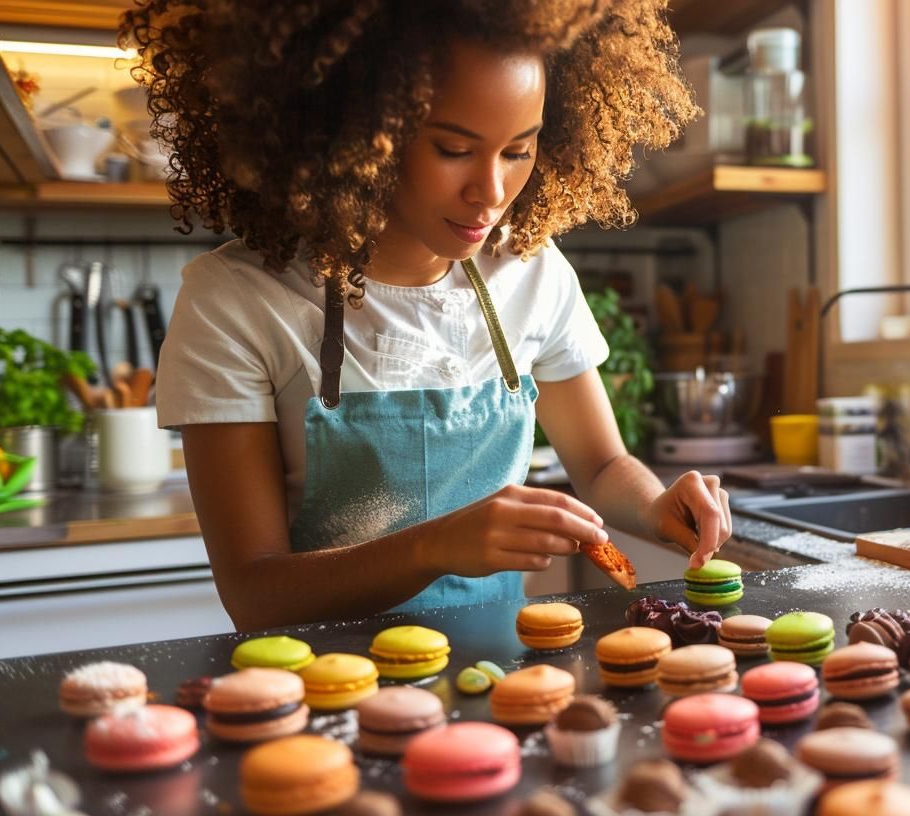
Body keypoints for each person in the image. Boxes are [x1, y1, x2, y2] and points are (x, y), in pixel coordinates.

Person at [119, 0, 729, 630]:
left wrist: (658, 505)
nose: (490, 193)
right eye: (452, 149)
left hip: (497, 681)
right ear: (354, 132)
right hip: (319, 691)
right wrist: (434, 548)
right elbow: (253, 590)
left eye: (519, 150)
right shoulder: (236, 300)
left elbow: (601, 466)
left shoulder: (532, 271)